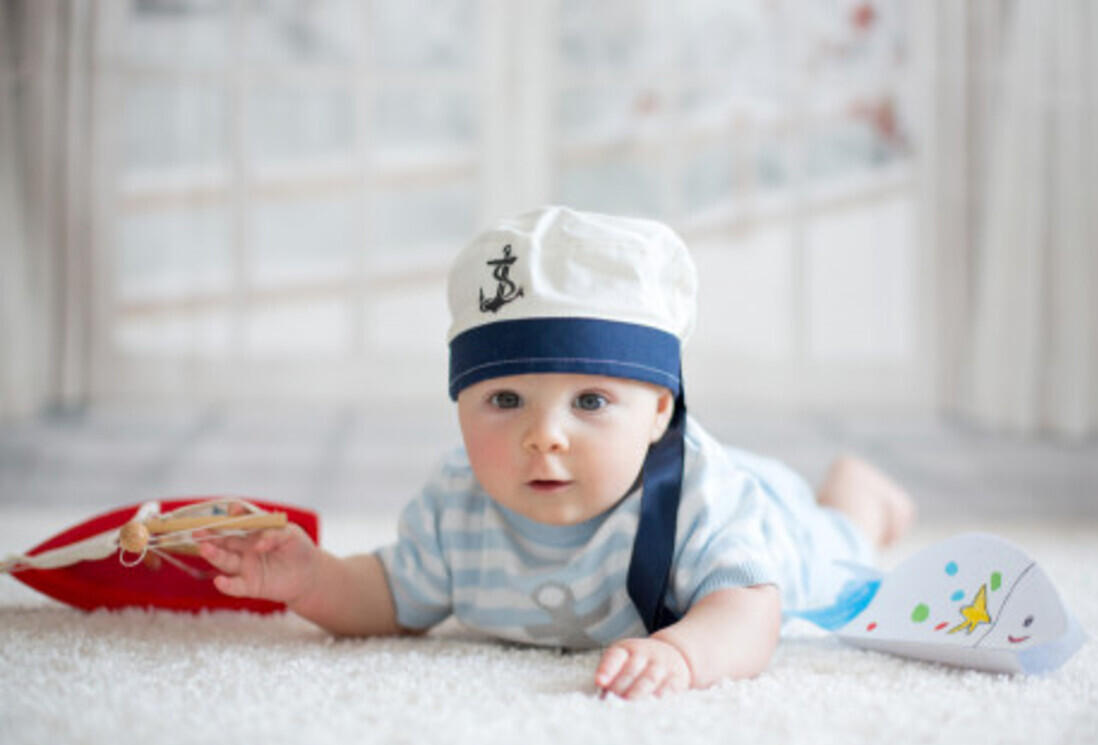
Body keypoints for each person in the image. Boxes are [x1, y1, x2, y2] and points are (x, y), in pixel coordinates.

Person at [199, 206, 915, 700]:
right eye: (506, 399)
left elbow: (751, 610)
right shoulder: (458, 502)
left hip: (771, 521)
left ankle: (859, 492)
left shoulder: (703, 498)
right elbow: (391, 596)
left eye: (591, 401)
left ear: (659, 410)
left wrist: (683, 652)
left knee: (838, 542)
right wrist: (313, 579)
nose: (544, 436)